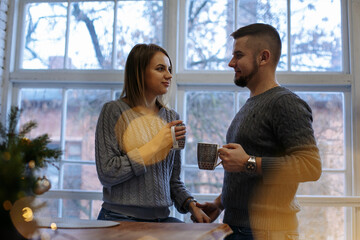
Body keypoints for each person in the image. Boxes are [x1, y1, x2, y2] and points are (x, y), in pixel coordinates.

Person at [195, 23, 322, 239]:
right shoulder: (251, 104)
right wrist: (220, 203)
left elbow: (310, 166)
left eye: (238, 55)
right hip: (237, 228)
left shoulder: (285, 103)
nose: (231, 62)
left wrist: (247, 162)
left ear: (263, 57)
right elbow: (248, 175)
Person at [95, 43, 210, 223]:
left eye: (169, 69)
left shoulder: (172, 117)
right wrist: (155, 145)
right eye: (160, 69)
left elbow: (173, 181)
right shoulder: (113, 111)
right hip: (119, 218)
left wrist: (191, 204)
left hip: (162, 219)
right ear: (139, 73)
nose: (169, 75)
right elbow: (107, 173)